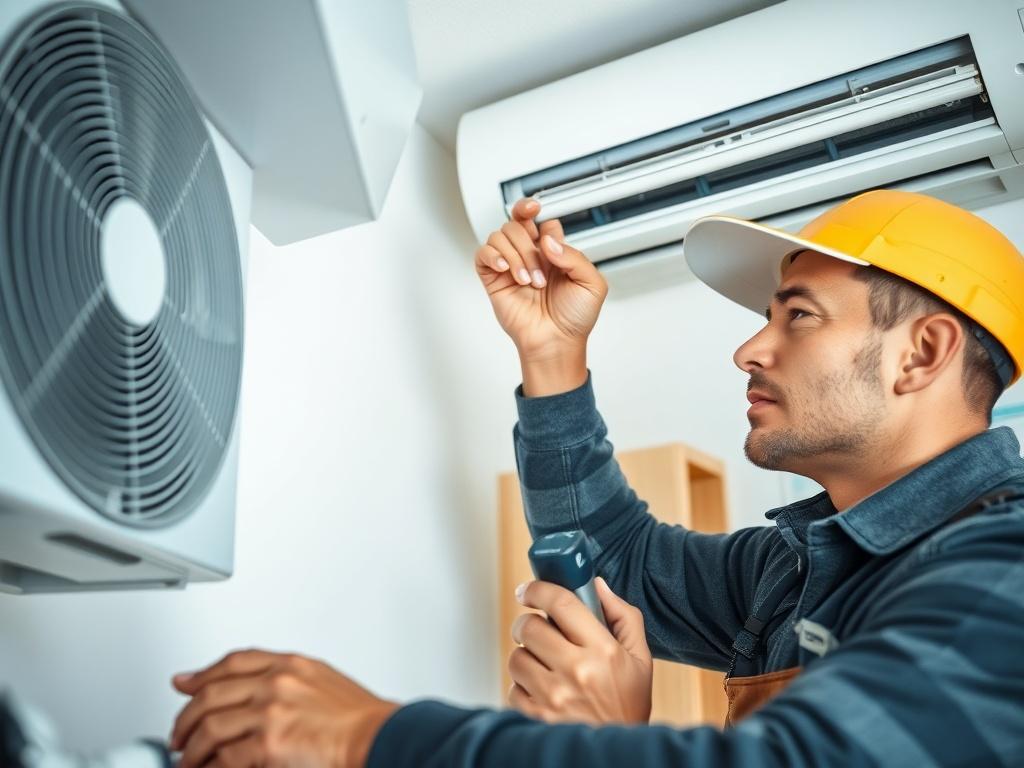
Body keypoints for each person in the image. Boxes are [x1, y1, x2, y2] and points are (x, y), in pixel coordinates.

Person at [168, 190, 1024, 767]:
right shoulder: (792, 567)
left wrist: (369, 735)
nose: (749, 349)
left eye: (797, 316)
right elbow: (619, 554)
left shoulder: (1000, 567)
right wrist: (551, 356)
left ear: (922, 353)